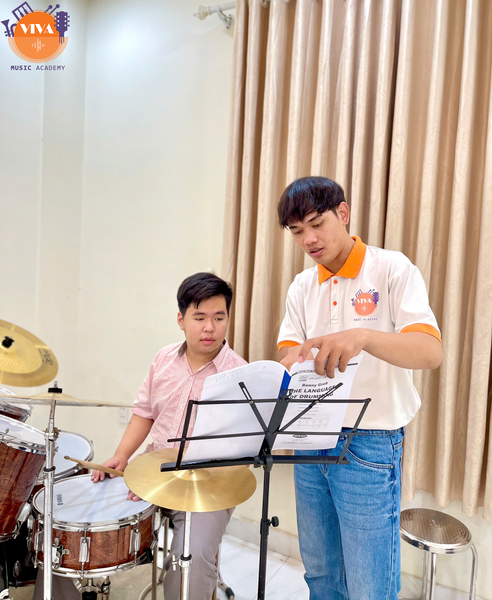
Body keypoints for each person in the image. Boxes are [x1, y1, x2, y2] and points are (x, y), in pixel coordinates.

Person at [276, 176, 443, 600]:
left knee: (370, 585)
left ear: (344, 213)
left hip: (369, 441)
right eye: (297, 231)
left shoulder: (391, 268)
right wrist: (292, 360)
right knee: (321, 573)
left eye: (317, 224)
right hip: (310, 436)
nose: (309, 240)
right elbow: (287, 352)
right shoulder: (302, 285)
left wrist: (363, 337)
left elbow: (430, 352)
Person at [34, 272, 246, 600]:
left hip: (207, 481)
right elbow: (144, 412)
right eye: (199, 317)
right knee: (64, 521)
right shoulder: (163, 359)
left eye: (219, 318)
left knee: (191, 556)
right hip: (152, 470)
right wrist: (121, 456)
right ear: (181, 319)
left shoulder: (240, 373)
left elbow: (243, 444)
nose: (209, 327)